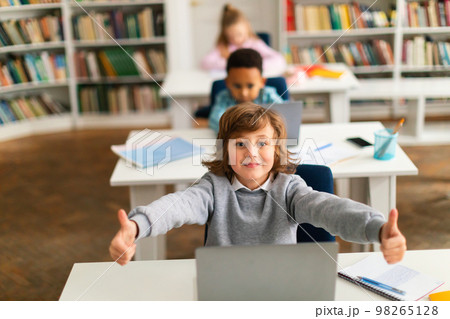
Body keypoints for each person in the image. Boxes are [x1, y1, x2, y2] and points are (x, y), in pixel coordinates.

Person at [110, 103, 407, 266]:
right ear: (225, 150)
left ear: (276, 148)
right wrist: (136, 226)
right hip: (224, 295)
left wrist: (378, 229)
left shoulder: (290, 188)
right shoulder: (212, 187)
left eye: (262, 143)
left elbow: (329, 209)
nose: (252, 153)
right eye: (240, 144)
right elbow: (177, 206)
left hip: (284, 292)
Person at [208, 48, 283, 133]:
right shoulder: (224, 98)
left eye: (250, 86)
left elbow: (284, 116)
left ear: (262, 82)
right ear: (227, 82)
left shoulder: (268, 95)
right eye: (237, 86)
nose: (244, 93)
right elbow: (215, 121)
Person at [201, 4, 286, 74]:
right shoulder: (223, 46)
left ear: (247, 28)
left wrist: (255, 64)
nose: (236, 39)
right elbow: (205, 62)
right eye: (230, 37)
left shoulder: (255, 44)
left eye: (239, 34)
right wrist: (231, 63)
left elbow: (279, 60)